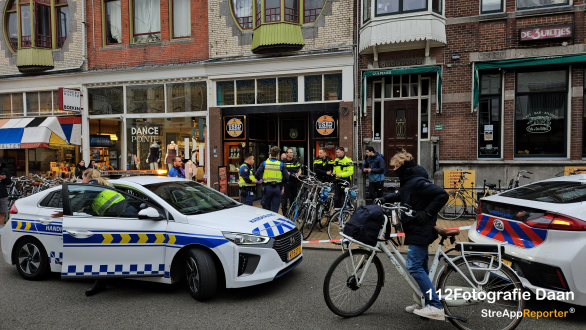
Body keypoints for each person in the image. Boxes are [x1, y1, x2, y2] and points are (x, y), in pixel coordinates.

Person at [374, 150, 449, 321]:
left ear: (404, 165)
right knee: (421, 268)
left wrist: (426, 213)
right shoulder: (409, 181)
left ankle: (435, 305)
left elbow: (442, 195)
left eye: (396, 165)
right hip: (416, 229)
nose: (394, 168)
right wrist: (386, 198)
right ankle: (424, 301)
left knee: (414, 267)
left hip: (421, 229)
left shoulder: (417, 181)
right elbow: (404, 195)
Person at [52, 168, 127, 297]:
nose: (82, 180)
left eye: (82, 177)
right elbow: (89, 204)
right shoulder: (104, 183)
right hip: (119, 214)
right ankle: (101, 280)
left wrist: (66, 212)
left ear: (88, 176)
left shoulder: (92, 184)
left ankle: (100, 281)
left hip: (119, 214)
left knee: (103, 250)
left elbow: (81, 201)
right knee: (104, 250)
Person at [255, 146, 289, 213]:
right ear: (277, 155)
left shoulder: (265, 163)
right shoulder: (281, 164)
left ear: (270, 154)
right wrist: (282, 186)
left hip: (267, 188)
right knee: (275, 209)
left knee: (266, 209)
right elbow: (287, 177)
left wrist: (261, 181)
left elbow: (256, 174)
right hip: (277, 188)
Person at [281, 148, 301, 215]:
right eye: (290, 152)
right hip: (286, 181)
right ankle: (284, 211)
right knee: (284, 198)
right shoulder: (283, 161)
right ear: (286, 154)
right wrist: (286, 172)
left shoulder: (295, 161)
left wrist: (298, 174)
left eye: (292, 152)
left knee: (293, 197)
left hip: (293, 181)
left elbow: (300, 170)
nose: (291, 154)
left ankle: (291, 211)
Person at [0, 158, 12, 225]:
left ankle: (0, 230)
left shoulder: (4, 171)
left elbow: (9, 182)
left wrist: (5, 178)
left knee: (2, 213)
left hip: (2, 195)